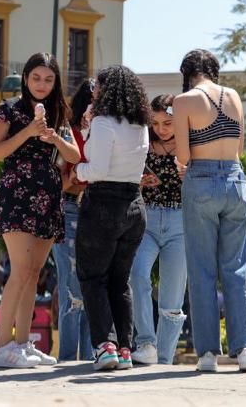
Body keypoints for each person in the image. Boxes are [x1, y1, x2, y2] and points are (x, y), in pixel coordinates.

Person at [0, 52, 80, 368]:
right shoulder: (8, 110)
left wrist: (53, 136)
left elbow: (75, 155)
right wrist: (26, 132)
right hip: (17, 192)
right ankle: (3, 347)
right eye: (36, 77)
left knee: (34, 273)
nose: (42, 84)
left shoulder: (57, 114)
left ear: (55, 83)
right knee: (20, 269)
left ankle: (23, 344)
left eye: (49, 79)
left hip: (48, 194)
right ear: (26, 78)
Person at [173, 49, 246, 373]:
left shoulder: (184, 101)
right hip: (237, 182)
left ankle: (208, 353)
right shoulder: (234, 95)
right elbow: (239, 148)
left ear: (187, 73)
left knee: (202, 271)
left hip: (202, 182)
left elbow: (183, 156)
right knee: (236, 271)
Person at [75, 65, 150, 371]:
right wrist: (86, 128)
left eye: (98, 86)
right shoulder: (139, 124)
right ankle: (124, 349)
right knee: (120, 282)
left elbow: (97, 169)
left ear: (107, 90)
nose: (93, 90)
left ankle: (104, 346)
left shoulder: (105, 123)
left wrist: (76, 172)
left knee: (93, 277)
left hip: (103, 204)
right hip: (134, 205)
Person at [131, 94, 189, 366]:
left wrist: (190, 177)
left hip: (181, 222)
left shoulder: (192, 146)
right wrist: (139, 182)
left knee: (172, 298)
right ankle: (146, 343)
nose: (161, 129)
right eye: (155, 123)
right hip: (148, 219)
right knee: (137, 275)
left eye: (168, 123)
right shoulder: (144, 143)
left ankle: (164, 358)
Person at [50, 78, 95, 363]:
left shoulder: (107, 132)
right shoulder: (69, 132)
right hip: (69, 208)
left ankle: (91, 356)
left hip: (98, 210)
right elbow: (58, 182)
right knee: (70, 287)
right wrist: (74, 179)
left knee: (92, 288)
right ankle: (68, 358)